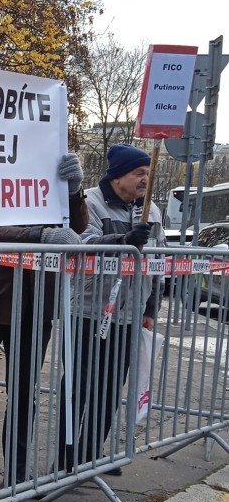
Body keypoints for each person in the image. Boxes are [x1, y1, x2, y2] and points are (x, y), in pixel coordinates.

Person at [0, 153, 89, 495]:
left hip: (37, 304)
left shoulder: (47, 168)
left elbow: (75, 228)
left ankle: (17, 471)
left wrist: (73, 192)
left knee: (24, 393)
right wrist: (41, 235)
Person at [59, 142, 165, 473]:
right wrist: (124, 241)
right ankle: (65, 458)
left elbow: (158, 263)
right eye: (139, 173)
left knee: (110, 388)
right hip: (88, 311)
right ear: (117, 176)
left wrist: (150, 310)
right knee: (77, 386)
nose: (145, 179)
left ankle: (91, 454)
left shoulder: (152, 211)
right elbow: (83, 244)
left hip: (129, 314)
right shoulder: (92, 203)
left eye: (148, 173)